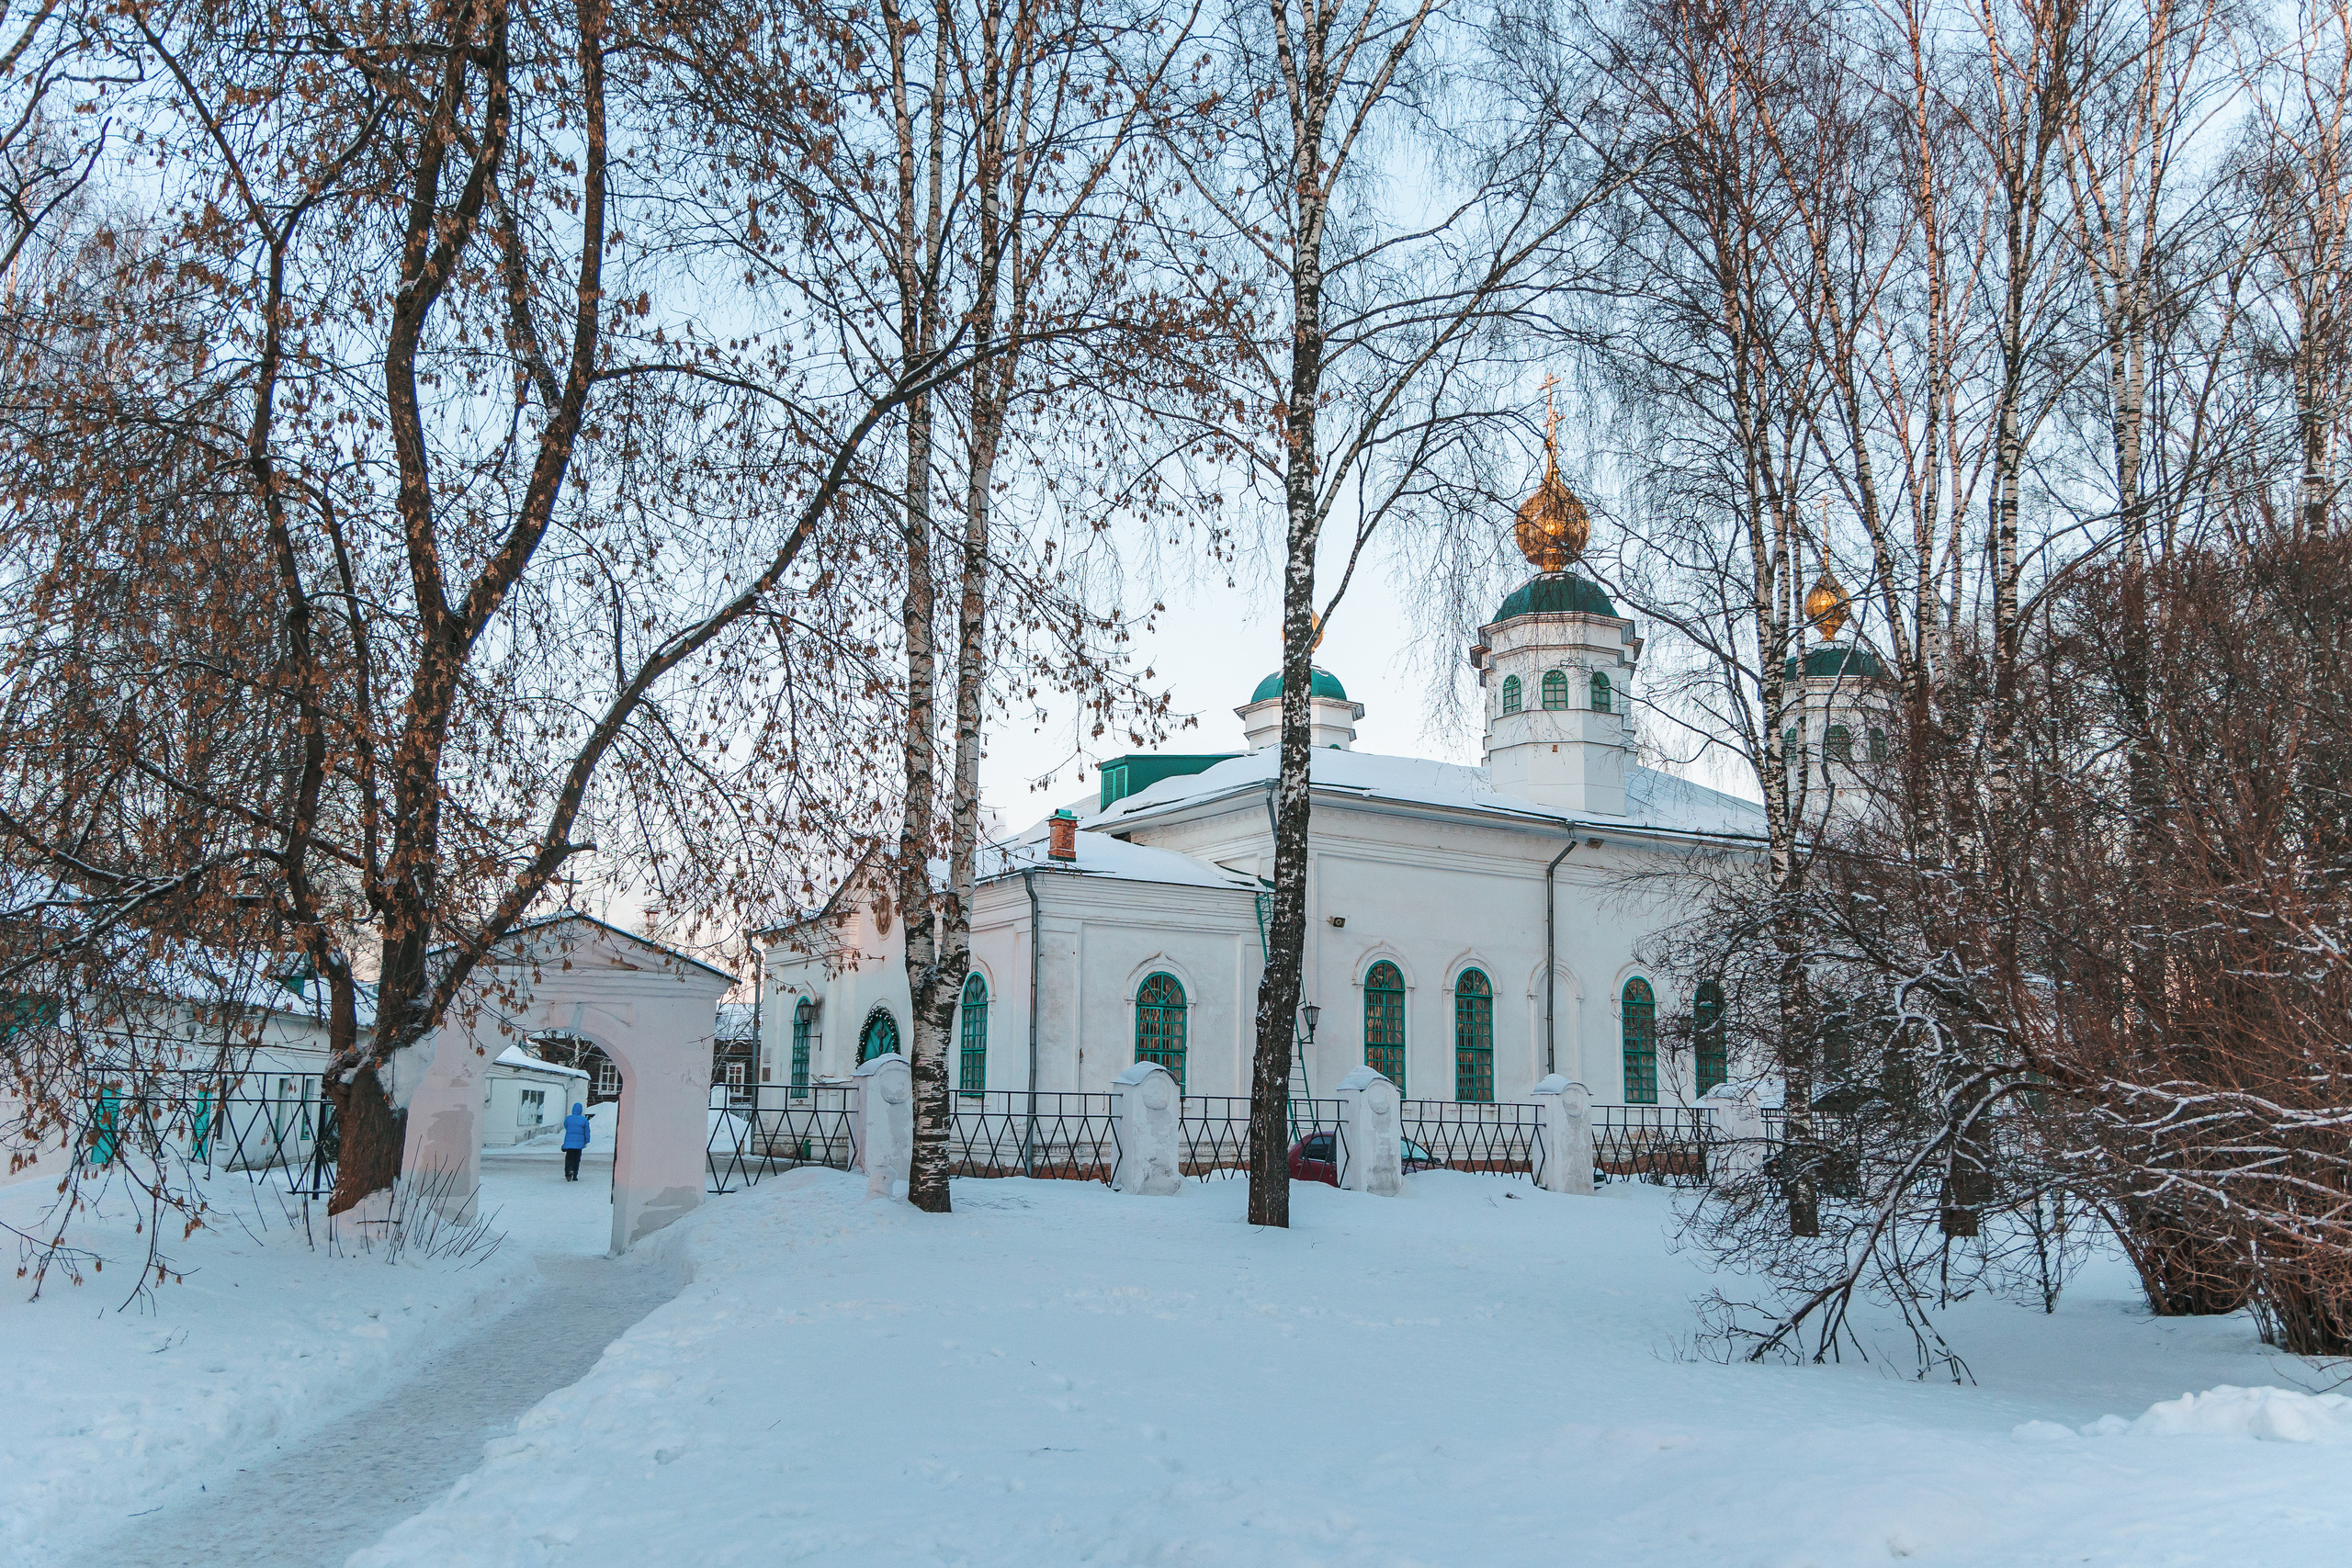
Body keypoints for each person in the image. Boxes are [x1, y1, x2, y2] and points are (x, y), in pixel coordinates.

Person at [561, 1101, 591, 1180]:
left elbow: (566, 1126)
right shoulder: (584, 1120)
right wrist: (586, 1141)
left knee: (569, 1158)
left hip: (569, 1143)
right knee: (577, 1159)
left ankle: (568, 1172)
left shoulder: (568, 1118)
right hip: (579, 1144)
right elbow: (587, 1132)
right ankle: (575, 1175)